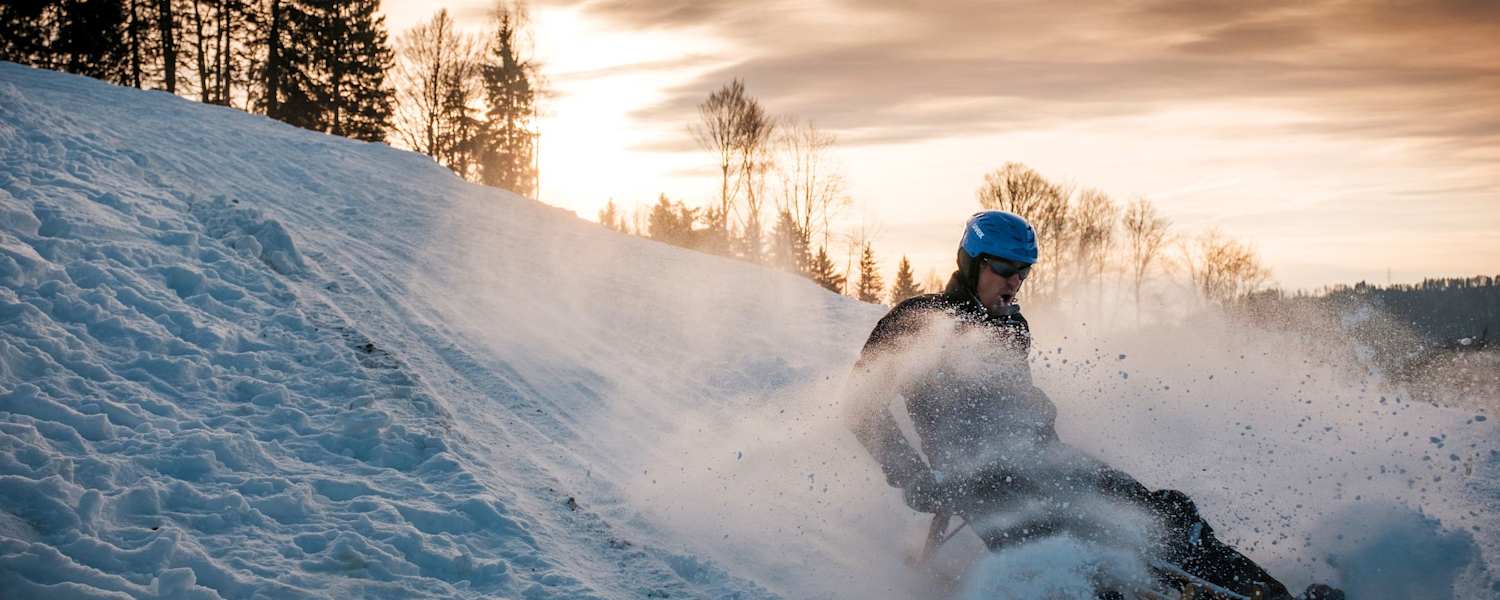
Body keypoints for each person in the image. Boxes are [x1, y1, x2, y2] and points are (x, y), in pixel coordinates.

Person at [845, 211, 1333, 599]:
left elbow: (1015, 399)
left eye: (1024, 271)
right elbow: (859, 404)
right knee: (1069, 547)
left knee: (1163, 516)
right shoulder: (918, 320)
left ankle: (1267, 594)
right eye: (1004, 269)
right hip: (975, 476)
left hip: (1041, 459)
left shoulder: (1012, 326)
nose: (1015, 281)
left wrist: (1041, 423)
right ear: (972, 262)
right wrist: (913, 476)